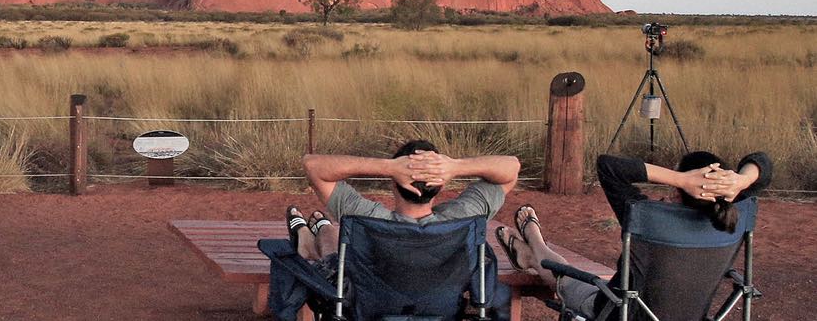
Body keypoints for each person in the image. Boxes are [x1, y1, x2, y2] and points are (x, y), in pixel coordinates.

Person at [494, 151, 772, 319]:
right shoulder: (733, 218)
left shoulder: (649, 217)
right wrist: (742, 180)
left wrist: (681, 179)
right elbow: (763, 162)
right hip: (691, 316)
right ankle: (531, 247)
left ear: (678, 191)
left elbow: (608, 166)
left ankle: (534, 246)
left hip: (614, 310)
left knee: (564, 275)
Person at [286, 139, 521, 263]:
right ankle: (315, 232)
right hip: (443, 309)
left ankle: (311, 234)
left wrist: (387, 167)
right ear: (441, 185)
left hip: (373, 308)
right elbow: (512, 167)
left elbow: (312, 165)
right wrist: (456, 166)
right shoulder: (464, 217)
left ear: (393, 183)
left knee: (331, 238)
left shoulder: (367, 218)